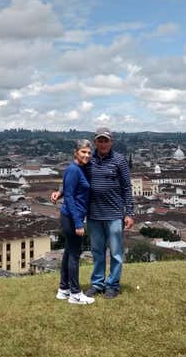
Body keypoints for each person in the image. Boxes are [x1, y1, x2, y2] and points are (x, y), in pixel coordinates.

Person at [52, 127, 134, 299]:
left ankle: (112, 285)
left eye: (106, 140)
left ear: (111, 142)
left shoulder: (119, 161)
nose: (103, 143)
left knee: (116, 253)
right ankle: (97, 284)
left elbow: (127, 187)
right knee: (97, 252)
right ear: (95, 142)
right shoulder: (89, 159)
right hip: (93, 214)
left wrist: (129, 213)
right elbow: (74, 176)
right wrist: (60, 191)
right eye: (100, 140)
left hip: (114, 214)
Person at [55, 139, 95, 305]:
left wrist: (59, 193)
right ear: (75, 153)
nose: (86, 155)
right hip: (72, 217)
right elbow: (70, 197)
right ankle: (75, 294)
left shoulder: (79, 169)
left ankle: (63, 289)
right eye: (83, 152)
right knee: (74, 255)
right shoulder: (74, 170)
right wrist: (79, 223)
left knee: (68, 252)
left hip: (71, 216)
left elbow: (68, 189)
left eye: (88, 152)